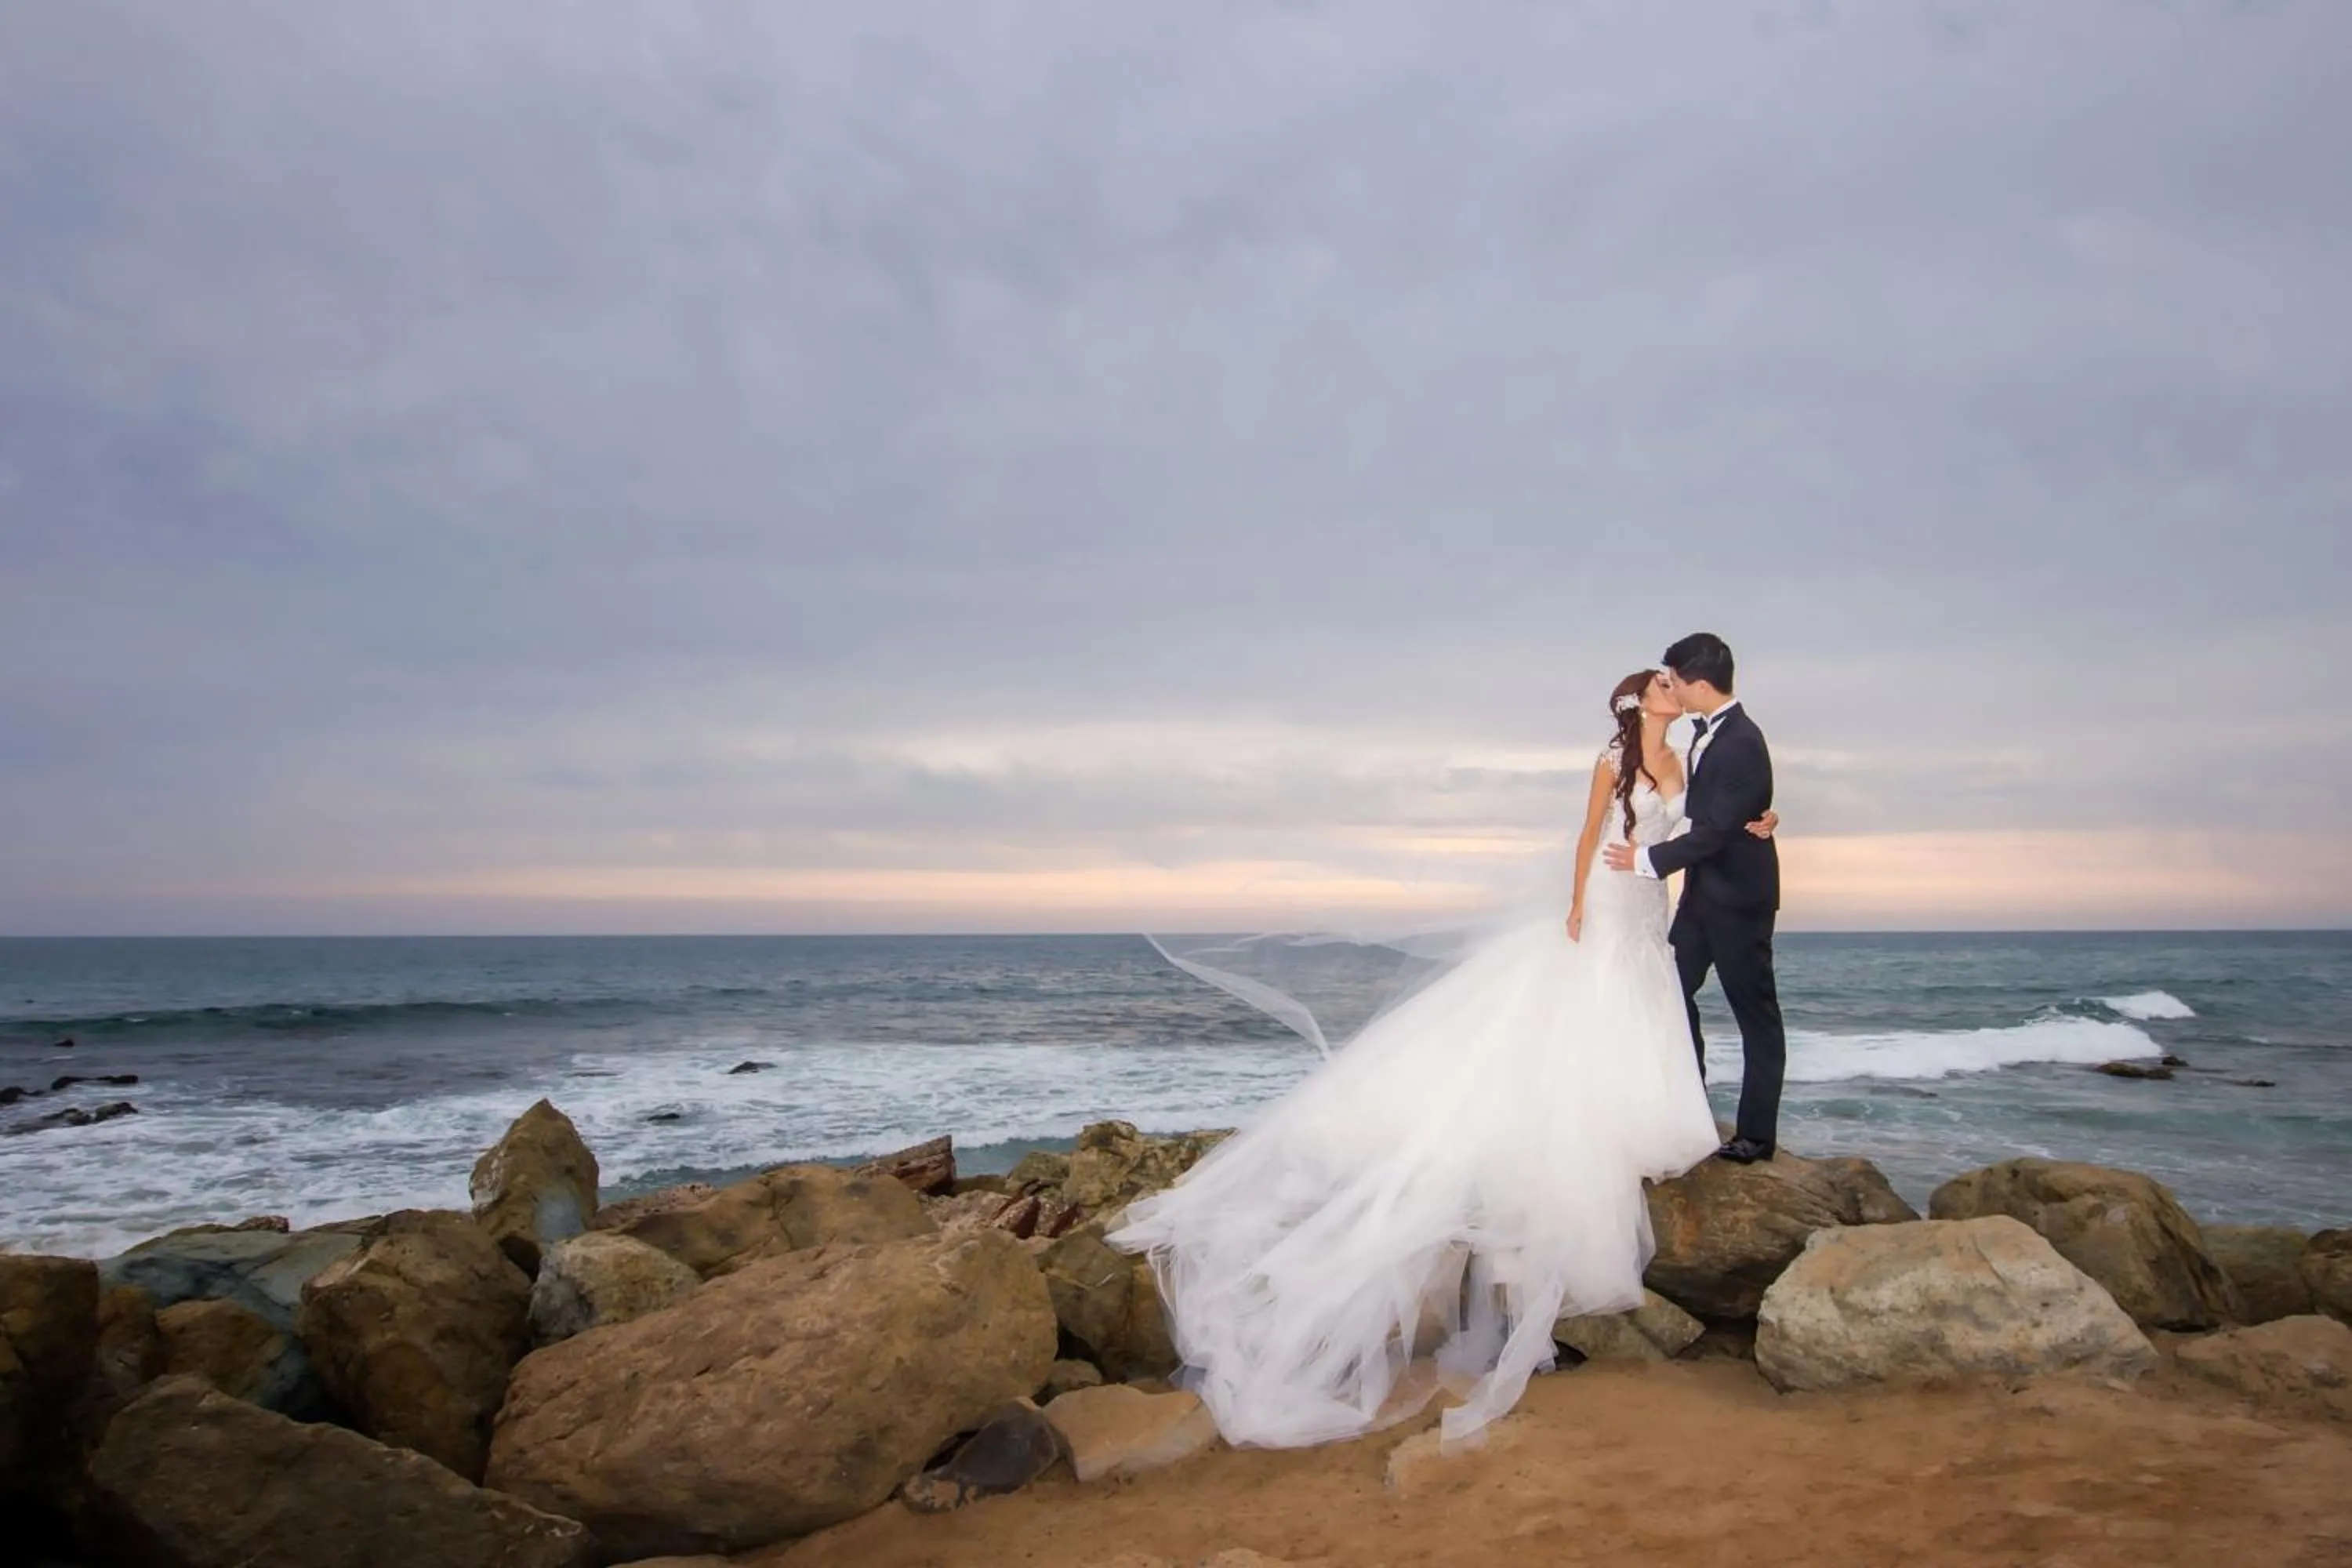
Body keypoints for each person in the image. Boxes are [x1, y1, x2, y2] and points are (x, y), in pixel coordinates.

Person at [1111, 662, 1779, 1450]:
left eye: (1676, 682)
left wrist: (1761, 822)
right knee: (1588, 1002)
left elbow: (1709, 824)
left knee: (1639, 1003)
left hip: (1646, 904)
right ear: (1640, 701)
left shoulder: (1685, 757)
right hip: (1606, 899)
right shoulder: (1614, 758)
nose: (1672, 690)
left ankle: (1642, 1115)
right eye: (1662, 684)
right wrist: (1575, 903)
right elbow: (1588, 832)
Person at [1601, 631, 1785, 1162]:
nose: (1671, 688)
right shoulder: (1705, 739)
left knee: (1755, 1016)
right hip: (1702, 897)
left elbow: (1717, 831)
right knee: (1672, 996)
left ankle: (1756, 1136)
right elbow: (1713, 810)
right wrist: (1766, 814)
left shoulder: (1742, 741)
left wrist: (1645, 860)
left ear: (1699, 685)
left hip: (1740, 903)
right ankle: (1690, 1107)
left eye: (1675, 680)